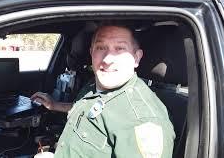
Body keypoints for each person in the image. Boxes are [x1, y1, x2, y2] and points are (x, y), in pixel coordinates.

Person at [31, 22, 175, 158]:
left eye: (119, 49)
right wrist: (54, 105)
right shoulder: (95, 84)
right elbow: (82, 107)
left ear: (136, 58)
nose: (107, 59)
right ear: (91, 53)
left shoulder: (143, 121)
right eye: (101, 48)